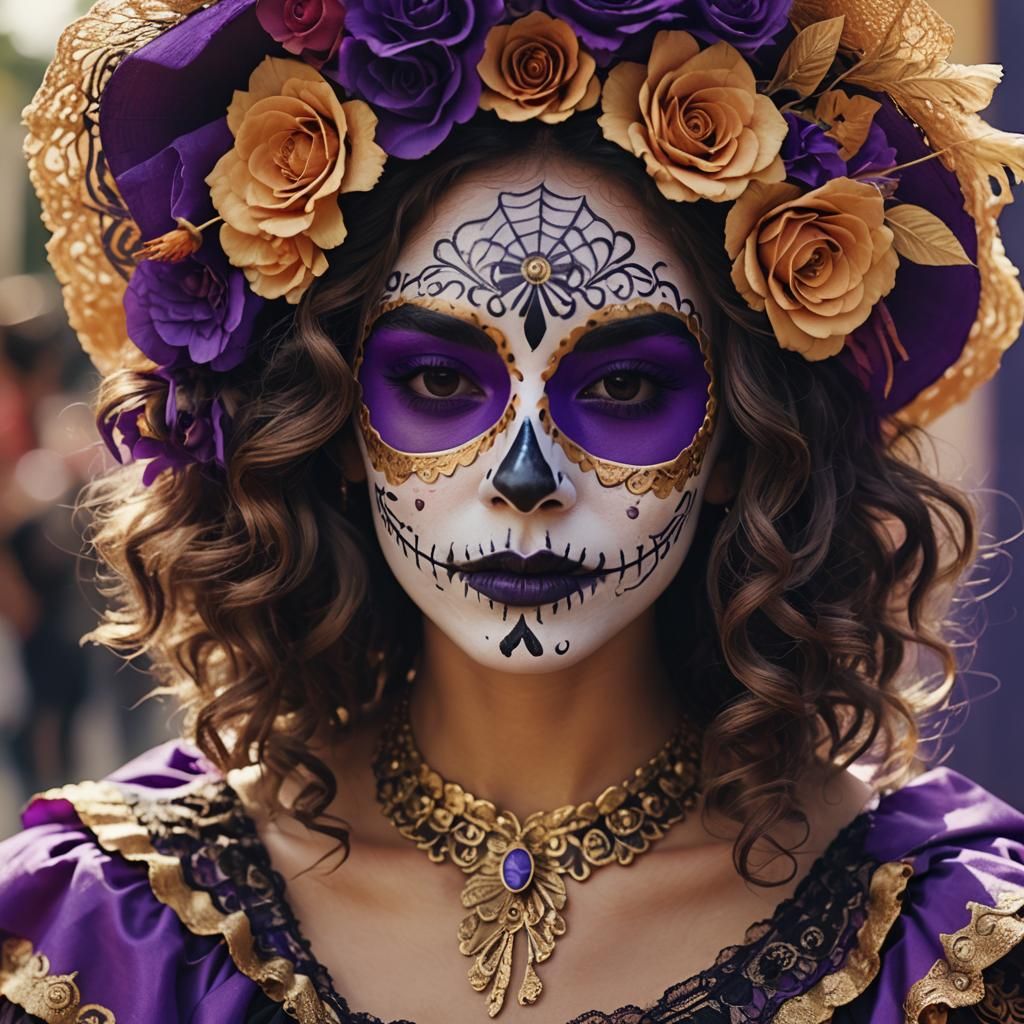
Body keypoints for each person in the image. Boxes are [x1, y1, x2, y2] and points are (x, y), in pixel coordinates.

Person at [2, 0, 1024, 1021]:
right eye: (441, 382)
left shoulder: (942, 938)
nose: (526, 477)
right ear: (334, 420)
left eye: (622, 387)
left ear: (740, 438)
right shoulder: (107, 930)